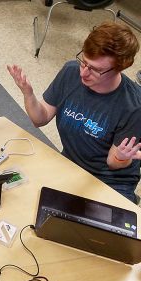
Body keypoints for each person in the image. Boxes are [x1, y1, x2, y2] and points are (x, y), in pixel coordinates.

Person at [8, 21, 141, 203]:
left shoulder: (133, 105)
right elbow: (41, 118)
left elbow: (113, 162)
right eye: (84, 62)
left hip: (111, 180)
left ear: (120, 67)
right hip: (72, 164)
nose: (84, 73)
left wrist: (122, 157)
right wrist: (28, 94)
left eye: (96, 69)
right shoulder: (71, 72)